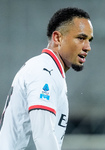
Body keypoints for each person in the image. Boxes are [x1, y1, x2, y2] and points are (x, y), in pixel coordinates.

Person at [0, 7, 94, 150]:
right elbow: (43, 136)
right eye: (81, 38)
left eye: (89, 40)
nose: (88, 47)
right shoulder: (44, 71)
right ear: (57, 38)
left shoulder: (50, 70)